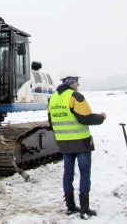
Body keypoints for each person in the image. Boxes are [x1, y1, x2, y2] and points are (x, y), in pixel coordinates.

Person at [48, 69, 106, 218]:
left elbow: (51, 122)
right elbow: (85, 118)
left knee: (68, 174)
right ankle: (85, 208)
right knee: (84, 174)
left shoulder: (52, 99)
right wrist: (101, 117)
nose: (78, 84)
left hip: (64, 144)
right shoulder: (75, 96)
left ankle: (71, 206)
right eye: (76, 81)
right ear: (70, 82)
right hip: (81, 143)